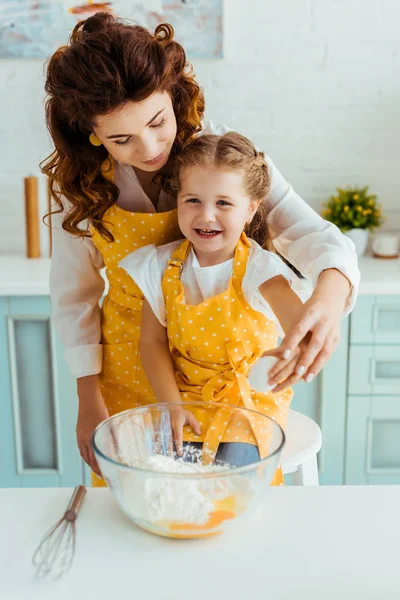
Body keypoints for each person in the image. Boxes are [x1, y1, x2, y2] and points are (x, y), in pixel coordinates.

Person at [42, 12, 359, 483]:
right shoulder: (83, 185)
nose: (149, 147)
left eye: (157, 121)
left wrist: (329, 299)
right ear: (92, 134)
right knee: (145, 504)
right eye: (121, 139)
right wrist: (88, 398)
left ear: (172, 92)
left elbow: (308, 232)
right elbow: (75, 298)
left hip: (223, 375)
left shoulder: (218, 153)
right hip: (131, 368)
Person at [120, 131, 311, 484]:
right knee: (171, 482)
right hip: (185, 399)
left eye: (223, 203)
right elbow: (151, 343)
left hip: (248, 404)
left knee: (230, 486)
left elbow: (302, 332)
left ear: (251, 207)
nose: (206, 216)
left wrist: (290, 354)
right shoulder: (159, 266)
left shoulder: (261, 271)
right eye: (193, 200)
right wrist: (171, 405)